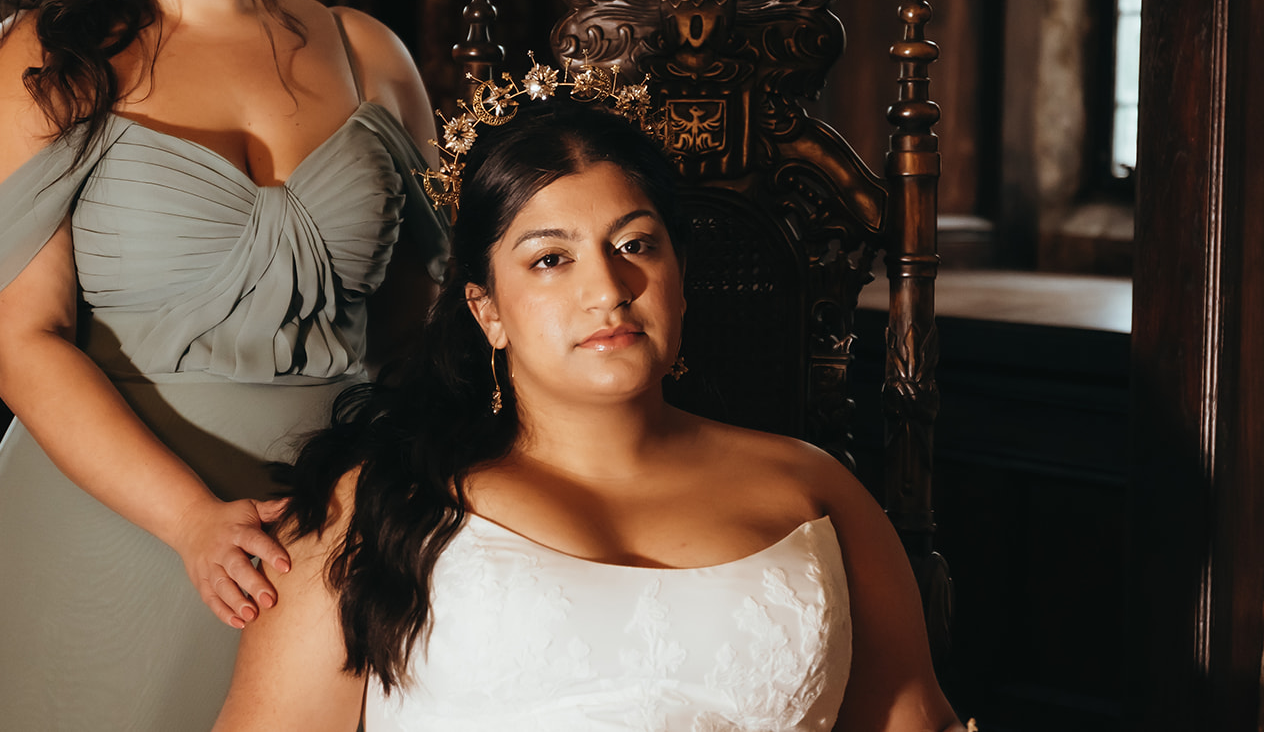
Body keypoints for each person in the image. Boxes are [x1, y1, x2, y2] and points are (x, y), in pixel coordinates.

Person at [0, 0, 444, 731]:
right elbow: (13, 341)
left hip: (330, 541)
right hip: (108, 532)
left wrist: (359, 493)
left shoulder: (372, 56)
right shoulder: (41, 60)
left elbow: (417, 315)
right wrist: (191, 521)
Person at [214, 88, 965, 731]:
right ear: (487, 310)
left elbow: (911, 715)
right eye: (550, 258)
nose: (607, 287)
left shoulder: (818, 491)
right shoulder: (377, 506)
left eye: (635, 243)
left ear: (679, 276)